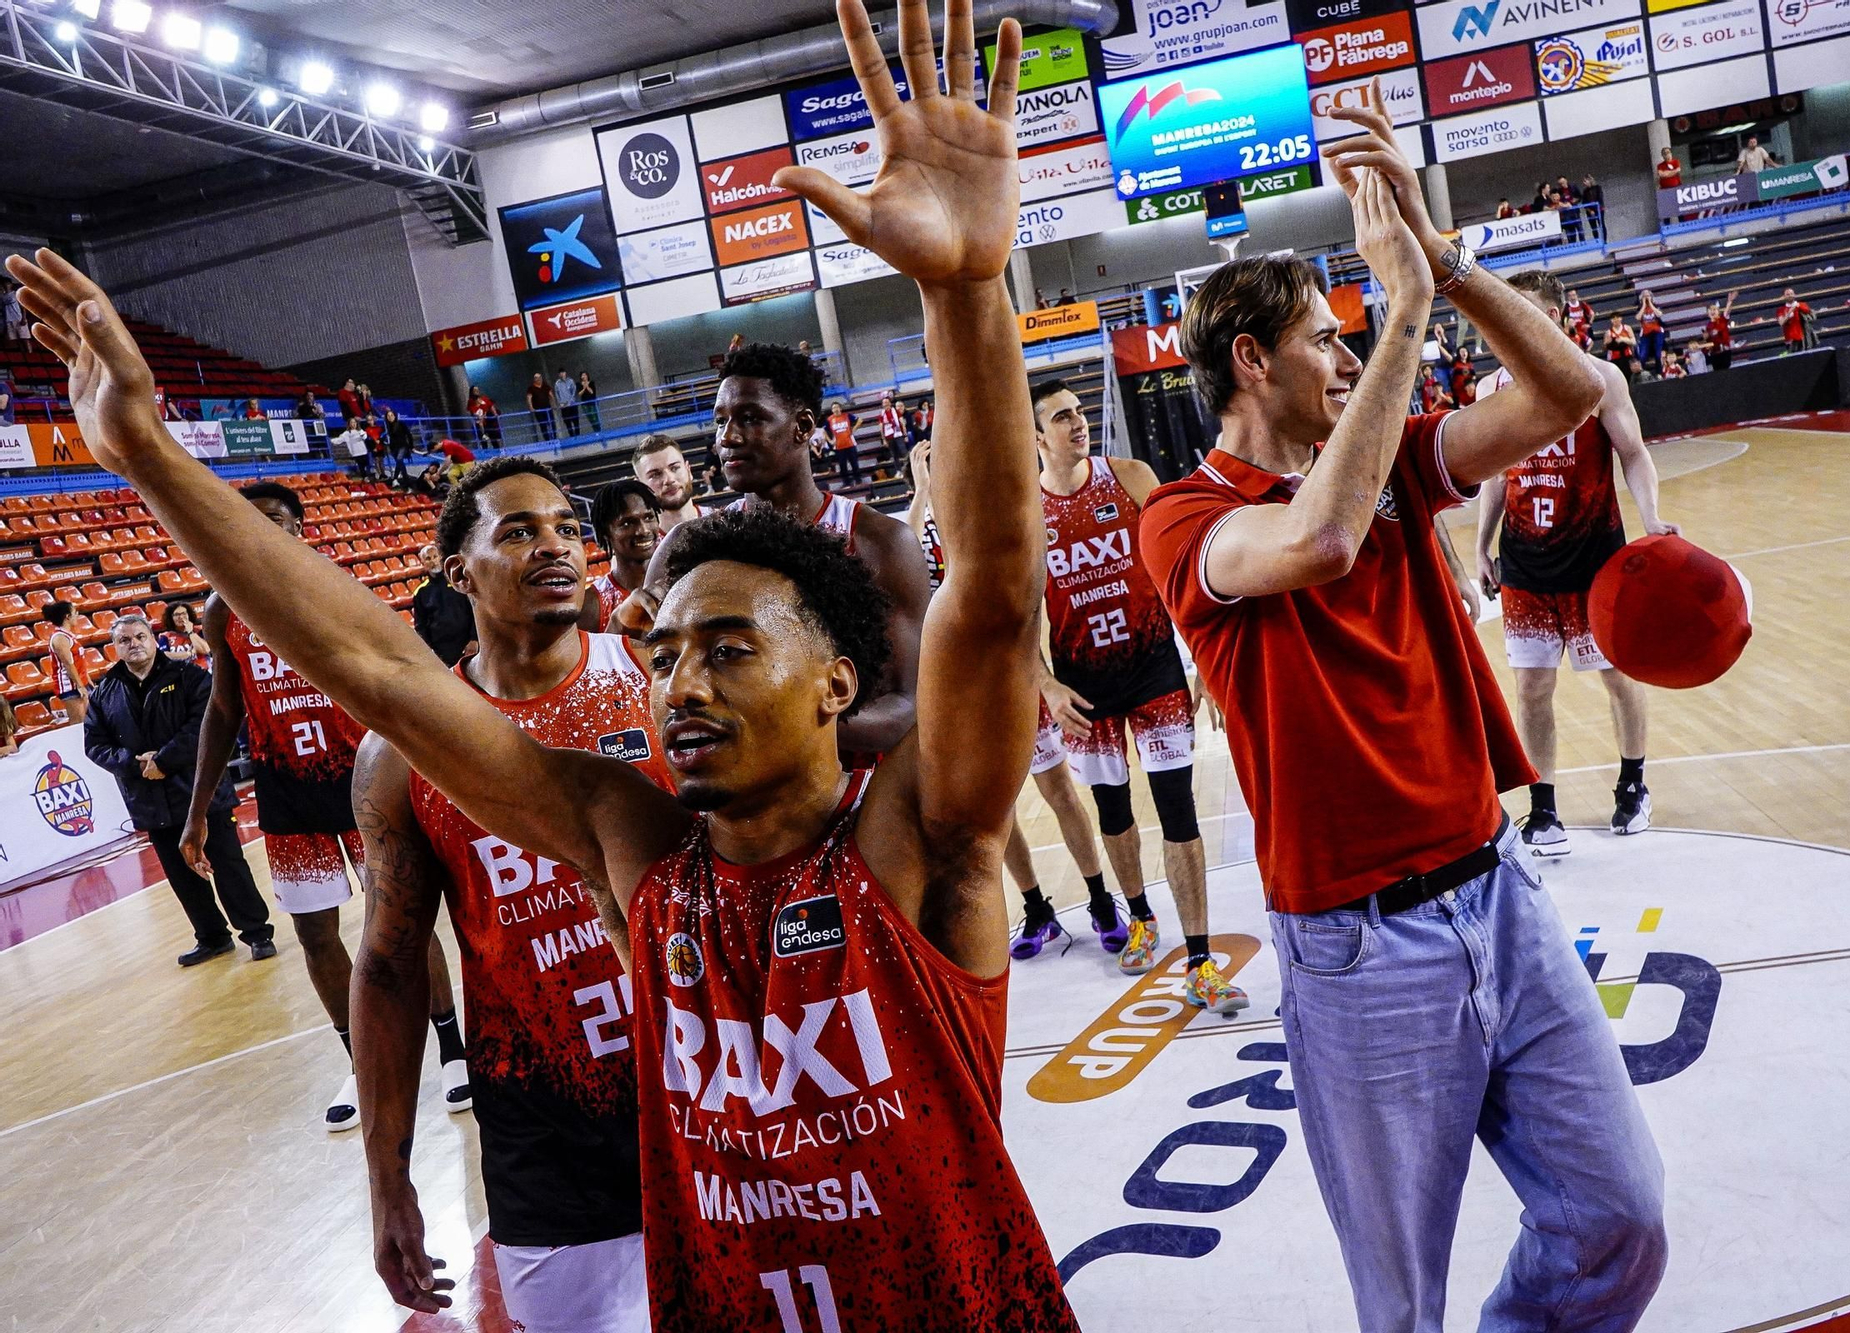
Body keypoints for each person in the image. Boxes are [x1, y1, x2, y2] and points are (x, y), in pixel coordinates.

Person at [6, 4, 1082, 1318]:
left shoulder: (923, 846)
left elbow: (996, 596)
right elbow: (380, 671)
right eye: (671, 649)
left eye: (729, 648)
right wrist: (156, 460)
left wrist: (967, 296)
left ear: (836, 684)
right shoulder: (633, 843)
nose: (679, 684)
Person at [1137, 86, 1665, 1332]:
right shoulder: (1182, 518)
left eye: (1350, 333)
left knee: (1619, 1215)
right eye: (1323, 336)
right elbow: (1317, 536)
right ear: (1250, 362)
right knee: (1399, 1297)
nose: (1344, 350)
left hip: (1498, 892)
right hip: (1356, 945)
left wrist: (1443, 266)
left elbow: (1565, 396)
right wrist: (1408, 320)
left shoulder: (1392, 455)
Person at [351, 457, 671, 1333]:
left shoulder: (658, 673)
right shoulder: (402, 755)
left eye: (566, 526)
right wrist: (388, 1180)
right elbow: (386, 966)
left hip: (701, 1083)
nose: (554, 545)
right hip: (544, 1129)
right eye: (519, 530)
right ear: (456, 570)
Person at [177, 481, 469, 1132]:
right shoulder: (222, 611)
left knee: (401, 916)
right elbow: (223, 708)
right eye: (251, 522)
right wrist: (198, 808)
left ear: (301, 530)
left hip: (361, 776)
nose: (263, 532)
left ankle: (451, 1046)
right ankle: (362, 1061)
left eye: (277, 520)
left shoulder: (333, 590)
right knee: (314, 932)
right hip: (286, 790)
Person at [1030, 378, 1246, 1010]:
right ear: (1036, 437)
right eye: (1062, 418)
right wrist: (1044, 682)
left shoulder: (1129, 476)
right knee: (1114, 812)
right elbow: (1013, 619)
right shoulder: (1025, 512)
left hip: (1153, 668)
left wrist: (1202, 654)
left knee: (1177, 809)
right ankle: (1141, 917)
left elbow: (1182, 569)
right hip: (1083, 684)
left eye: (1080, 413)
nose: (1078, 424)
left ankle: (1201, 959)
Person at [629, 342, 929, 758]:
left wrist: (774, 729)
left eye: (749, 418)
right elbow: (654, 692)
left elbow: (905, 703)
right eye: (721, 422)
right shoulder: (684, 548)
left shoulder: (880, 544)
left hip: (858, 790)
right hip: (735, 799)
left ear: (803, 426)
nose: (727, 438)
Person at [1473, 268, 1680, 851]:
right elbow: (1495, 477)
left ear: (1560, 318)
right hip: (1523, 564)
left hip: (1594, 561)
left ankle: (1633, 785)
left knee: (1617, 676)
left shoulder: (1600, 379)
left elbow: (1635, 455)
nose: (1519, 323)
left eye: (1532, 312)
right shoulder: (1491, 391)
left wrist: (1651, 518)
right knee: (1533, 686)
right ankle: (1543, 809)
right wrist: (1482, 545)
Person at [906, 436, 1109, 960]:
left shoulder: (989, 510)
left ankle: (1100, 898)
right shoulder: (918, 522)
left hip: (1011, 676)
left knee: (1058, 790)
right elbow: (903, 573)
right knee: (999, 812)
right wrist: (921, 490)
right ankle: (1037, 906)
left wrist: (1039, 676)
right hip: (957, 692)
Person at [83, 615, 275, 966]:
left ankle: (257, 933)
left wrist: (165, 760)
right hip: (150, 801)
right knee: (182, 876)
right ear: (115, 648)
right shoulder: (105, 692)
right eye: (124, 640)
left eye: (140, 636)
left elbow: (206, 725)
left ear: (153, 639)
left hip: (202, 794)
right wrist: (133, 763)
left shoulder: (189, 676)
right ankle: (212, 937)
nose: (134, 644)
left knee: (229, 866)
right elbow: (95, 744)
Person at [584, 479, 662, 632]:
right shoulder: (590, 606)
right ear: (606, 534)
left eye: (648, 517)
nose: (644, 530)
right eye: (627, 523)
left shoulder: (681, 584)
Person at [410, 543, 476, 666]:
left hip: (467, 646)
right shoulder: (421, 592)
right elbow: (421, 627)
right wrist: (430, 651)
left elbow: (474, 609)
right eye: (428, 559)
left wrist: (474, 639)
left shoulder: (458, 581)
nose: (433, 561)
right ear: (423, 563)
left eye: (435, 556)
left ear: (440, 557)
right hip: (442, 652)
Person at [630, 434, 706, 532]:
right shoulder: (642, 545)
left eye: (674, 468)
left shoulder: (724, 522)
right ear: (640, 487)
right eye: (655, 475)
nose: (669, 479)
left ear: (688, 470)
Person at [41, 599, 92, 724]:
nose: (77, 615)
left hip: (80, 682)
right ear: (67, 617)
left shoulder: (68, 635)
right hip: (70, 686)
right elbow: (68, 664)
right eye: (75, 612)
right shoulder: (59, 638)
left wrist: (88, 681)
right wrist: (80, 686)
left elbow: (79, 663)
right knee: (78, 724)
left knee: (89, 722)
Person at [824, 396, 863, 489]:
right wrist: (829, 440)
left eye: (837, 407)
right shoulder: (830, 419)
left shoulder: (847, 415)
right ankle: (846, 482)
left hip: (850, 444)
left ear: (840, 408)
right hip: (839, 446)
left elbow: (860, 420)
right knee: (842, 466)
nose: (835, 409)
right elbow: (824, 431)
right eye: (833, 408)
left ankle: (858, 480)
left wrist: (853, 429)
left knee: (854, 463)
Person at [159, 599, 210, 670]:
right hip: (179, 673)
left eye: (184, 613)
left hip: (203, 671)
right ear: (171, 618)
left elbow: (205, 650)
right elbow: (164, 656)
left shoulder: (199, 631)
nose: (181, 617)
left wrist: (190, 632)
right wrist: (189, 654)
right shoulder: (165, 636)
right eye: (176, 615)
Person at [1635, 290, 1668, 374]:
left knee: (1658, 354)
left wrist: (1650, 304)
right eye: (1644, 296)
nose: (1646, 297)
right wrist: (1644, 305)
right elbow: (1638, 318)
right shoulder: (1639, 308)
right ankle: (1640, 373)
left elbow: (1659, 314)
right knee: (1642, 356)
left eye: (1648, 296)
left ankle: (1659, 373)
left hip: (1657, 331)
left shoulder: (1656, 306)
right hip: (1646, 333)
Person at [382, 406, 415, 486]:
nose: (390, 417)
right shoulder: (387, 426)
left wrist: (411, 446)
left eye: (391, 415)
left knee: (399, 460)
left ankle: (400, 478)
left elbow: (409, 434)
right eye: (388, 416)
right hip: (393, 447)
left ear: (395, 416)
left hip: (402, 446)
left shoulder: (401, 424)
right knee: (399, 463)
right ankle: (401, 479)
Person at [1705, 293, 1737, 370]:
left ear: (1718, 312)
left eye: (1714, 310)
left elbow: (1727, 311)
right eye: (1710, 310)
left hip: (1724, 351)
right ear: (1708, 313)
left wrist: (1729, 301)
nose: (1712, 312)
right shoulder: (1708, 326)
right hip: (1715, 353)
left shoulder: (1722, 319)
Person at [1777, 287, 1812, 353]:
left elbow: (1808, 312)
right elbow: (1781, 322)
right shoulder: (1781, 310)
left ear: (1794, 294)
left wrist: (1797, 306)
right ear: (1784, 296)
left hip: (1803, 338)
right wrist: (1789, 312)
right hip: (1790, 340)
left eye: (1791, 293)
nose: (1790, 295)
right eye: (1787, 294)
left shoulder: (1802, 305)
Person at [1604, 312, 1639, 378]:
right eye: (1613, 318)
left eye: (1617, 317)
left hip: (1627, 355)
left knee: (1629, 375)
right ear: (1611, 321)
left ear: (1621, 319)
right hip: (1615, 357)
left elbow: (1633, 342)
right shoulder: (1608, 332)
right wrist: (1608, 342)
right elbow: (1605, 347)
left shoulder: (1627, 328)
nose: (1615, 320)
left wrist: (1623, 339)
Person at [526, 373, 556, 442]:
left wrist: (553, 404)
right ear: (534, 379)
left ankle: (554, 438)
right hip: (538, 411)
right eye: (537, 378)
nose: (539, 379)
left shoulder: (546, 386)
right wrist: (531, 407)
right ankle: (547, 440)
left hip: (548, 409)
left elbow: (551, 395)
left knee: (552, 423)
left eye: (540, 377)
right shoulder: (531, 388)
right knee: (543, 425)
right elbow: (529, 398)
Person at [877, 391, 907, 461]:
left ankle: (910, 467)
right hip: (889, 436)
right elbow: (881, 428)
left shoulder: (896, 411)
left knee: (904, 451)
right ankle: (898, 470)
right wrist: (884, 440)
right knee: (894, 455)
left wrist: (905, 435)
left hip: (898, 434)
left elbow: (902, 423)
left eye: (887, 402)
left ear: (890, 403)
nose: (886, 404)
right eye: (884, 403)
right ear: (882, 404)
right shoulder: (881, 415)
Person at [553, 368, 580, 437]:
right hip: (564, 406)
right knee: (567, 422)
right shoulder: (557, 384)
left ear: (565, 373)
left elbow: (574, 391)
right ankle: (572, 436)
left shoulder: (570, 381)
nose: (562, 374)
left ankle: (578, 435)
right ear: (559, 375)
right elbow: (557, 394)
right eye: (560, 373)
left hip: (572, 404)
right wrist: (560, 403)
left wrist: (570, 401)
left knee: (576, 420)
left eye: (563, 372)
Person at [1579, 173, 1604, 240]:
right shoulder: (1585, 191)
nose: (1583, 183)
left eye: (1585, 181)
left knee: (1602, 225)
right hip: (1590, 211)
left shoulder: (1598, 188)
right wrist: (1590, 211)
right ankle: (1597, 240)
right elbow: (1584, 202)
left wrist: (1597, 209)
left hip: (1599, 209)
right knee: (1593, 227)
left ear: (1589, 180)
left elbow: (1600, 198)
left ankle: (1604, 240)